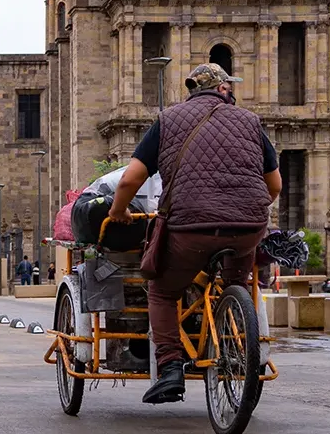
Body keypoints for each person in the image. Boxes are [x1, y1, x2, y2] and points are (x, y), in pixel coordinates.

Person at [107, 63, 281, 406]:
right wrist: (245, 210)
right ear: (223, 89)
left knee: (162, 291)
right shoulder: (250, 122)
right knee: (236, 281)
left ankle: (171, 367)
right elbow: (274, 185)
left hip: (190, 230)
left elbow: (129, 180)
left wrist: (117, 211)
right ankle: (236, 329)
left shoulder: (168, 121)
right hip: (247, 228)